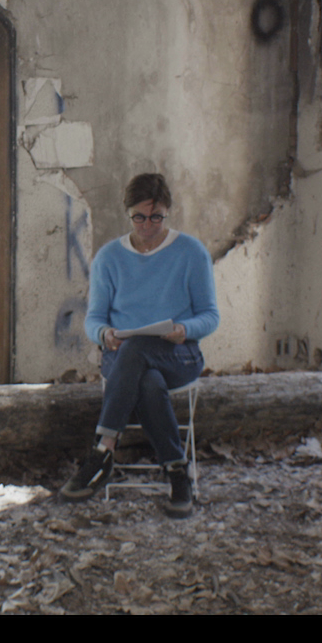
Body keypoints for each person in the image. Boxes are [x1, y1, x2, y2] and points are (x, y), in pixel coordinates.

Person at [59, 172, 218, 518]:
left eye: (156, 217)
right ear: (128, 213)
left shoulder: (191, 252)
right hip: (122, 355)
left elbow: (210, 316)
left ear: (167, 212)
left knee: (138, 351)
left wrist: (184, 328)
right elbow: (94, 320)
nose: (148, 226)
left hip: (178, 353)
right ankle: (178, 472)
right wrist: (105, 334)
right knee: (145, 377)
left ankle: (102, 451)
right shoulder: (109, 258)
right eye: (139, 218)